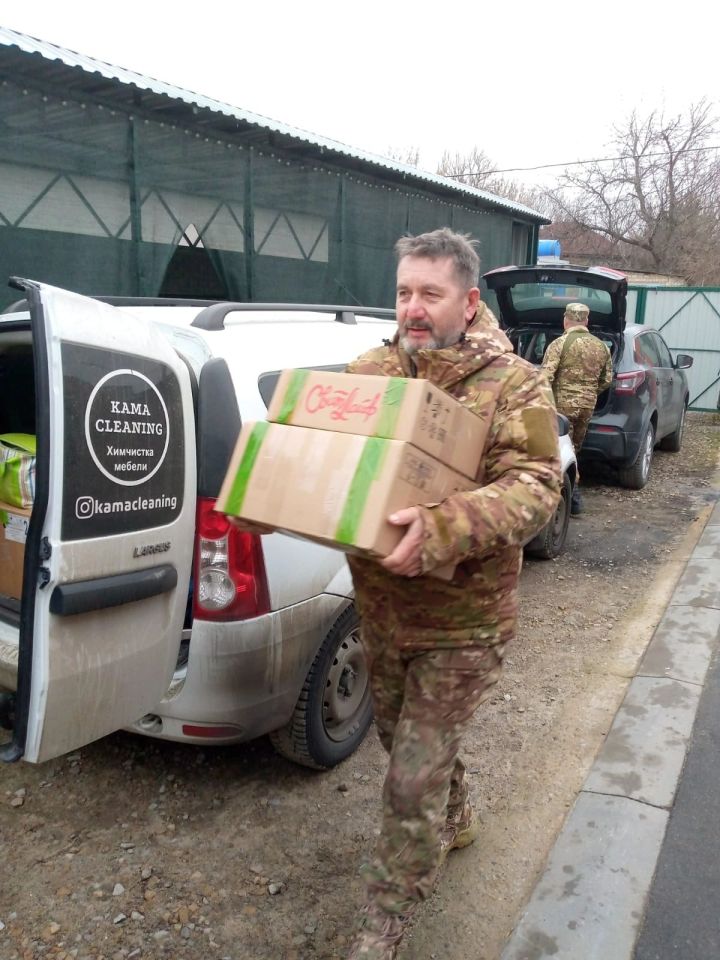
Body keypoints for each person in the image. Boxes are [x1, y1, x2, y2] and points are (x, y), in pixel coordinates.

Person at [344, 228, 561, 960]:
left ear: (467, 303)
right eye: (404, 291)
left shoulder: (515, 384)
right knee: (399, 740)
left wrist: (443, 527)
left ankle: (384, 923)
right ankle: (457, 811)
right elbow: (327, 451)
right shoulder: (371, 370)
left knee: (410, 779)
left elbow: (536, 490)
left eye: (429, 294)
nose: (412, 307)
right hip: (381, 608)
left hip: (464, 625)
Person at [541, 302, 612, 515]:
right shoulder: (602, 346)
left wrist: (543, 400)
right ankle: (573, 497)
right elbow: (607, 379)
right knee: (574, 449)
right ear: (587, 321)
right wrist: (589, 393)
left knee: (560, 449)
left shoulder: (559, 344)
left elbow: (545, 376)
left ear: (566, 319)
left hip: (561, 407)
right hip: (586, 407)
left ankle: (569, 497)